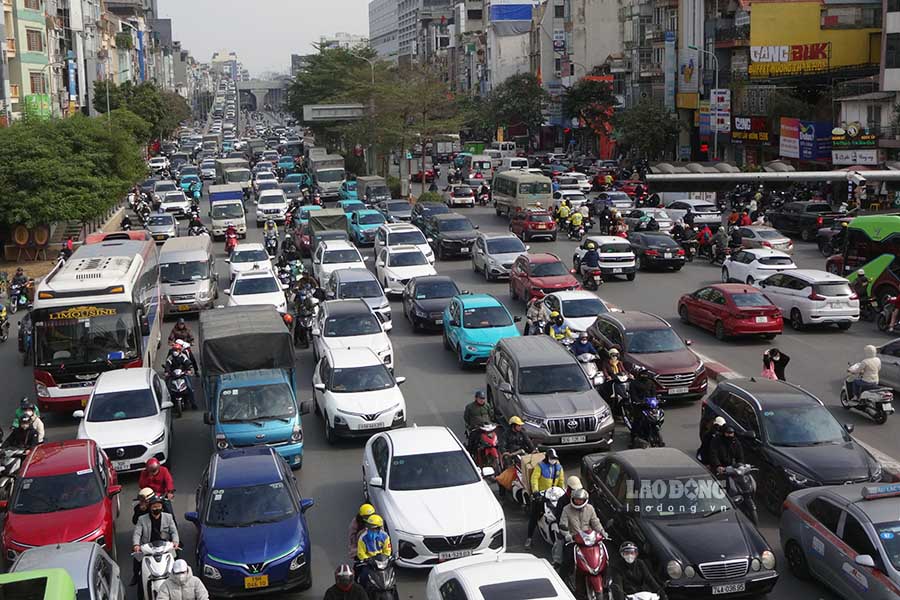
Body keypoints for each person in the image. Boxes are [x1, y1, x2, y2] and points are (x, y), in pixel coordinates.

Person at [559, 488, 608, 578]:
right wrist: (567, 535)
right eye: (576, 499)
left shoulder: (590, 508)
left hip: (589, 539)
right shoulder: (566, 509)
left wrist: (602, 531)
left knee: (603, 557)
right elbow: (563, 524)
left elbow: (595, 522)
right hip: (574, 539)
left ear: (585, 500)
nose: (578, 501)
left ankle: (606, 581)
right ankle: (562, 580)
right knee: (567, 560)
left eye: (580, 500)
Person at [131, 496, 180, 586]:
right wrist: (136, 545)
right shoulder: (142, 519)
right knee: (137, 561)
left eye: (158, 506)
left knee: (177, 560)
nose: (156, 509)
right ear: (150, 508)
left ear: (162, 507)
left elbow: (174, 531)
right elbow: (137, 533)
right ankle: (136, 577)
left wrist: (175, 542)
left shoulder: (168, 517)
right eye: (154, 507)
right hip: (148, 548)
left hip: (165, 547)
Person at [525, 448, 564, 548]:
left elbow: (561, 482)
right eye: (551, 458)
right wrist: (536, 492)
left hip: (555, 495)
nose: (553, 460)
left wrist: (562, 492)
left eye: (555, 458)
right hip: (542, 495)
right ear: (547, 457)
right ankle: (529, 538)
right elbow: (534, 479)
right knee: (534, 515)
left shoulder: (559, 467)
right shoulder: (540, 466)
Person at [356, 514, 392, 584]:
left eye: (373, 528)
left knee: (391, 578)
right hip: (370, 563)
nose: (370, 529)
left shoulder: (385, 536)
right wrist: (367, 559)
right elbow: (361, 553)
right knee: (363, 577)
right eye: (369, 527)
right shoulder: (363, 537)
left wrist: (385, 558)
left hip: (382, 562)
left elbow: (387, 550)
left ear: (379, 528)